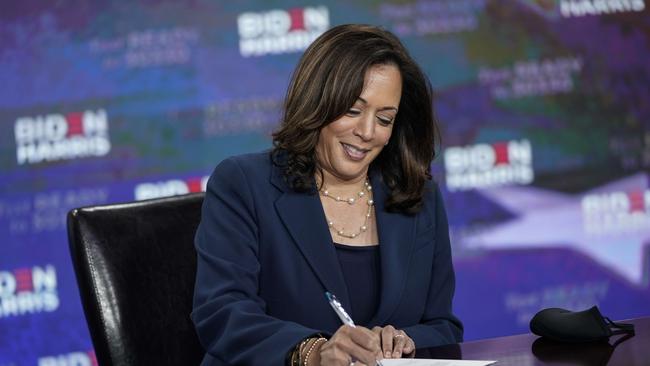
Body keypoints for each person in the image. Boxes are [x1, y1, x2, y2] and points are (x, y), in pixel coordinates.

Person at [192, 24, 463, 366]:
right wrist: (312, 352)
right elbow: (221, 313)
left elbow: (443, 327)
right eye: (352, 110)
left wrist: (403, 342)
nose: (367, 132)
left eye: (384, 118)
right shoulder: (244, 183)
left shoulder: (417, 195)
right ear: (317, 102)